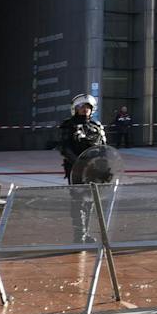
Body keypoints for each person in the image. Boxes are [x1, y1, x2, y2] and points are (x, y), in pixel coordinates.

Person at [58, 93, 106, 238]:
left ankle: (86, 232)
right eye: (82, 107)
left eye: (87, 107)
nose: (85, 109)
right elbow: (64, 148)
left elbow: (104, 148)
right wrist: (79, 164)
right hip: (76, 170)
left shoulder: (96, 126)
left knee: (90, 202)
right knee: (78, 201)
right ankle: (78, 234)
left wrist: (104, 166)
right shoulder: (69, 125)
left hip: (94, 170)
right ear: (75, 108)